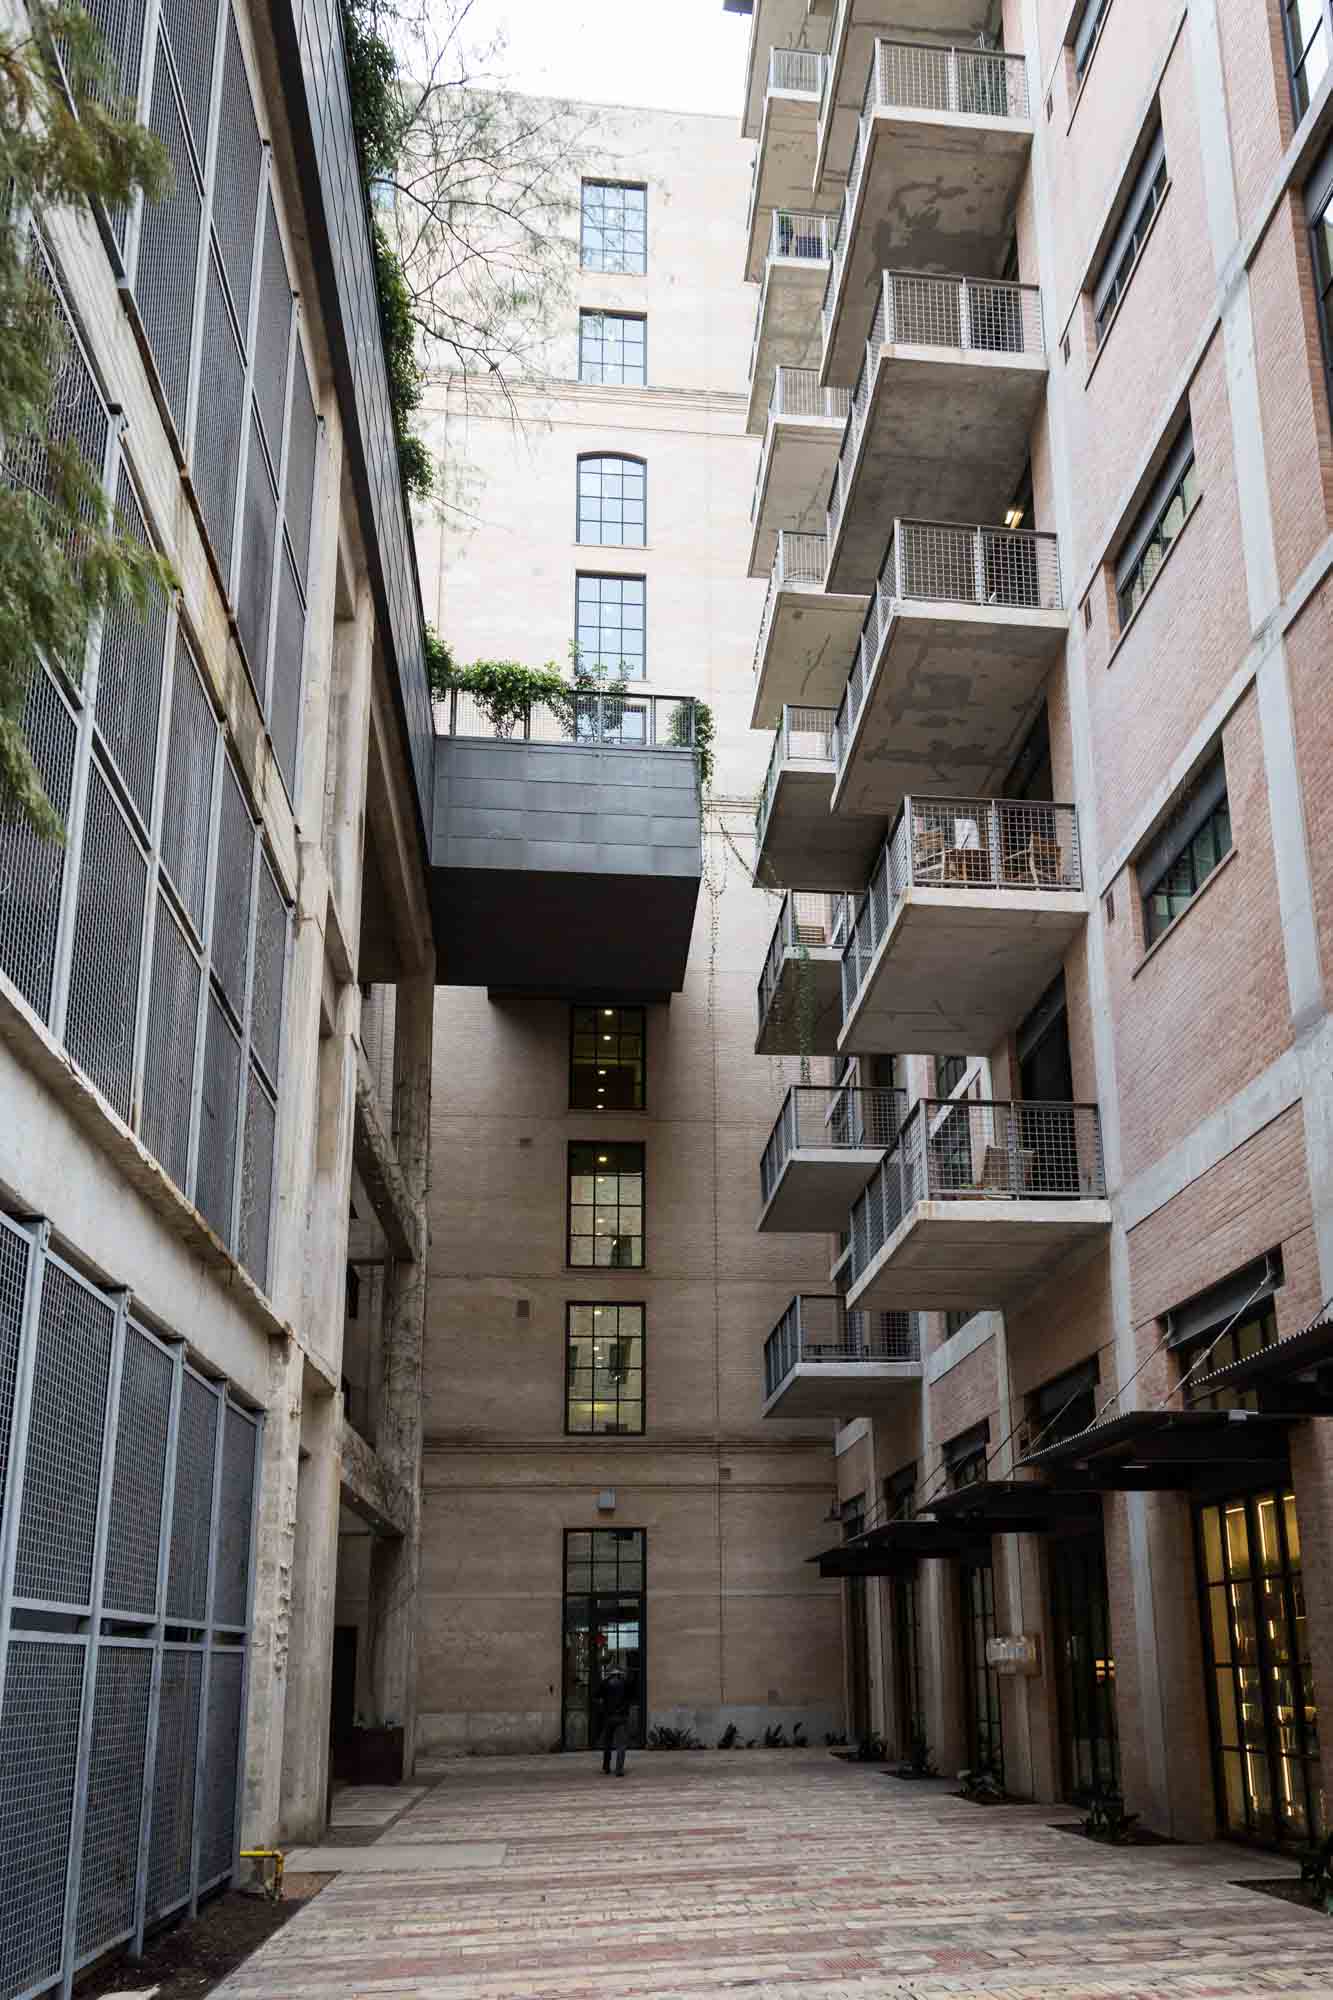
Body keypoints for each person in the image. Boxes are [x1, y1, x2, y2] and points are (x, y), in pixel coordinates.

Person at [599, 1663, 632, 1777]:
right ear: (620, 1673)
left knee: (607, 1743)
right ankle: (619, 1769)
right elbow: (631, 1696)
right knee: (621, 1745)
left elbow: (597, 1694)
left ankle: (606, 1767)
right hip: (621, 1717)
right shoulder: (625, 1683)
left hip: (608, 1717)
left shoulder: (605, 1683)